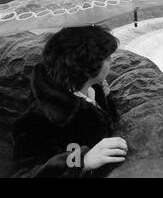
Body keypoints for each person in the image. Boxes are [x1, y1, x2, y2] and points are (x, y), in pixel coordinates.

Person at [11, 25, 127, 177]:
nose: (112, 60)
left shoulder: (92, 88)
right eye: (107, 58)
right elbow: (24, 173)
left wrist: (107, 98)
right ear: (87, 68)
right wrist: (82, 162)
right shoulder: (36, 120)